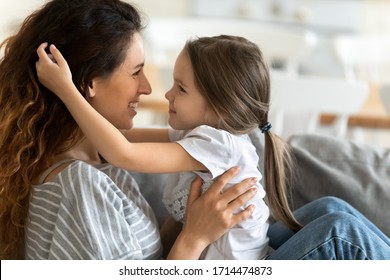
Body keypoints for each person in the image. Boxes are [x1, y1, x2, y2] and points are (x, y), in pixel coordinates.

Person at [0, 0, 258, 260]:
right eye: (136, 72)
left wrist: (188, 221)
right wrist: (195, 238)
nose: (147, 88)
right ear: (89, 83)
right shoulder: (80, 185)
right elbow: (123, 150)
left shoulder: (95, 163)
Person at [36, 34, 301, 260]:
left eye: (181, 88)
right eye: (135, 72)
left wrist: (66, 89)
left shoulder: (219, 145)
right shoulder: (197, 137)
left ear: (220, 108)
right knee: (331, 215)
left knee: (334, 220)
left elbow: (122, 152)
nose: (164, 93)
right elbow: (121, 140)